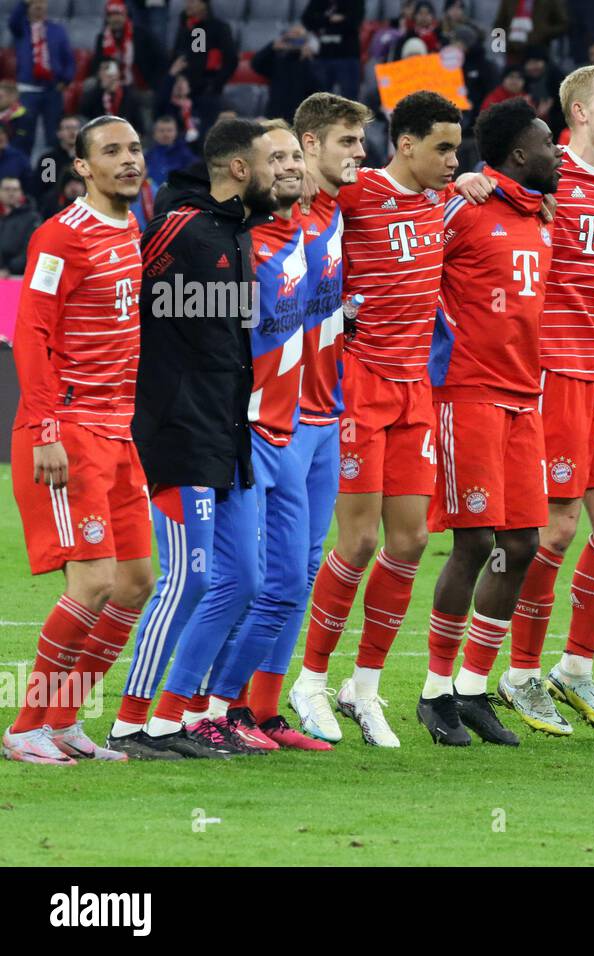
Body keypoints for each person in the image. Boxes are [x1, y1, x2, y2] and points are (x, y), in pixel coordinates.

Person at [285, 92, 463, 748]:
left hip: (417, 388)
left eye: (457, 148)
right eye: (442, 148)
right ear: (406, 144)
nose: (453, 160)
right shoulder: (355, 194)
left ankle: (364, 685)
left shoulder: (446, 202)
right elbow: (301, 218)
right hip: (357, 385)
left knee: (411, 542)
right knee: (357, 543)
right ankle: (309, 678)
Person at [107, 118, 279, 759]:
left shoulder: (237, 233)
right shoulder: (179, 228)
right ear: (240, 168)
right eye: (269, 161)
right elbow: (125, 305)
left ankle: (171, 718)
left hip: (226, 435)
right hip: (178, 431)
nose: (277, 173)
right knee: (186, 580)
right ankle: (129, 722)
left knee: (242, 580)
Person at [499, 64, 594, 738]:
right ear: (580, 112)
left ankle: (576, 667)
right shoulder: (541, 169)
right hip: (552, 372)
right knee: (555, 529)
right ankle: (520, 673)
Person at [2, 116, 152, 765]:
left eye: (134, 149)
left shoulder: (132, 229)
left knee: (136, 582)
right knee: (91, 583)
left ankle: (64, 722)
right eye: (111, 151)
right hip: (70, 428)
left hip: (120, 432)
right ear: (83, 168)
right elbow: (30, 334)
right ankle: (25, 727)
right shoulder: (60, 236)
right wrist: (43, 429)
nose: (128, 160)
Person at [419, 98, 562, 747]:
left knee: (524, 545)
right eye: (547, 144)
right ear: (519, 154)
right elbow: (411, 231)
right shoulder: (465, 204)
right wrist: (451, 183)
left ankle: (475, 689)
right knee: (475, 541)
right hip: (467, 392)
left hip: (523, 397)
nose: (558, 153)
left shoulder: (541, 217)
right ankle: (434, 691)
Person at [244, 94, 367, 748]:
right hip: (276, 419)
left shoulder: (344, 206)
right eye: (347, 142)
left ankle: (263, 710)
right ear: (310, 144)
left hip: (327, 416)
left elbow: (416, 177)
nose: (359, 155)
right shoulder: (266, 219)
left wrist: (469, 177)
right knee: (259, 571)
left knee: (300, 569)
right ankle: (217, 707)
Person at [196, 120, 318, 751]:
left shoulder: (304, 229)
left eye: (297, 154)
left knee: (291, 582)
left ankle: (235, 711)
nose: (290, 166)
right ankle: (193, 709)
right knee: (235, 581)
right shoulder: (240, 241)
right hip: (241, 436)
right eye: (278, 158)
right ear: (250, 169)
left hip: (287, 432)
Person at [8, 0, 74, 158]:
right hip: (27, 90)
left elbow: (68, 58)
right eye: (34, 3)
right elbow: (12, 21)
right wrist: (24, 3)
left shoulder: (57, 30)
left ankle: (49, 176)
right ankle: (24, 174)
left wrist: (65, 80)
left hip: (52, 90)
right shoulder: (21, 28)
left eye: (41, 2)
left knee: (53, 137)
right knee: (23, 135)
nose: (38, 6)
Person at [168, 0, 237, 139]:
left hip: (208, 93)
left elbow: (231, 60)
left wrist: (214, 85)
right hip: (184, 93)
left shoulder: (218, 28)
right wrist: (179, 77)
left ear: (204, 4)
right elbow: (177, 55)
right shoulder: (185, 26)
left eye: (193, 1)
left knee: (205, 135)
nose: (188, 5)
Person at [301, 0, 365, 101]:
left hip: (347, 55)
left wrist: (322, 20)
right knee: (320, 99)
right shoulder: (317, 2)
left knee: (350, 98)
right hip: (322, 56)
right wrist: (330, 19)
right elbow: (307, 20)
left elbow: (354, 22)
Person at [78, 61, 146, 133]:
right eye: (103, 71)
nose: (106, 75)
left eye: (109, 73)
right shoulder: (91, 95)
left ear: (118, 74)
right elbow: (84, 119)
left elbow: (139, 126)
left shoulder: (130, 96)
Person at [32, 114, 79, 205]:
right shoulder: (49, 160)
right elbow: (44, 189)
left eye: (75, 128)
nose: (72, 132)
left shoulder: (87, 158)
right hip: (56, 207)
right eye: (67, 128)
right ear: (59, 133)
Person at [0, 175, 39, 278]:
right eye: (6, 189)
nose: (11, 193)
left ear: (21, 192)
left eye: (15, 189)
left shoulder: (32, 218)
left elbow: (30, 249)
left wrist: (8, 269)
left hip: (18, 276)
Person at [144, 114, 196, 190]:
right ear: (154, 134)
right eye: (161, 131)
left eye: (169, 130)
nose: (166, 134)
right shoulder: (147, 156)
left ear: (176, 132)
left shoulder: (185, 155)